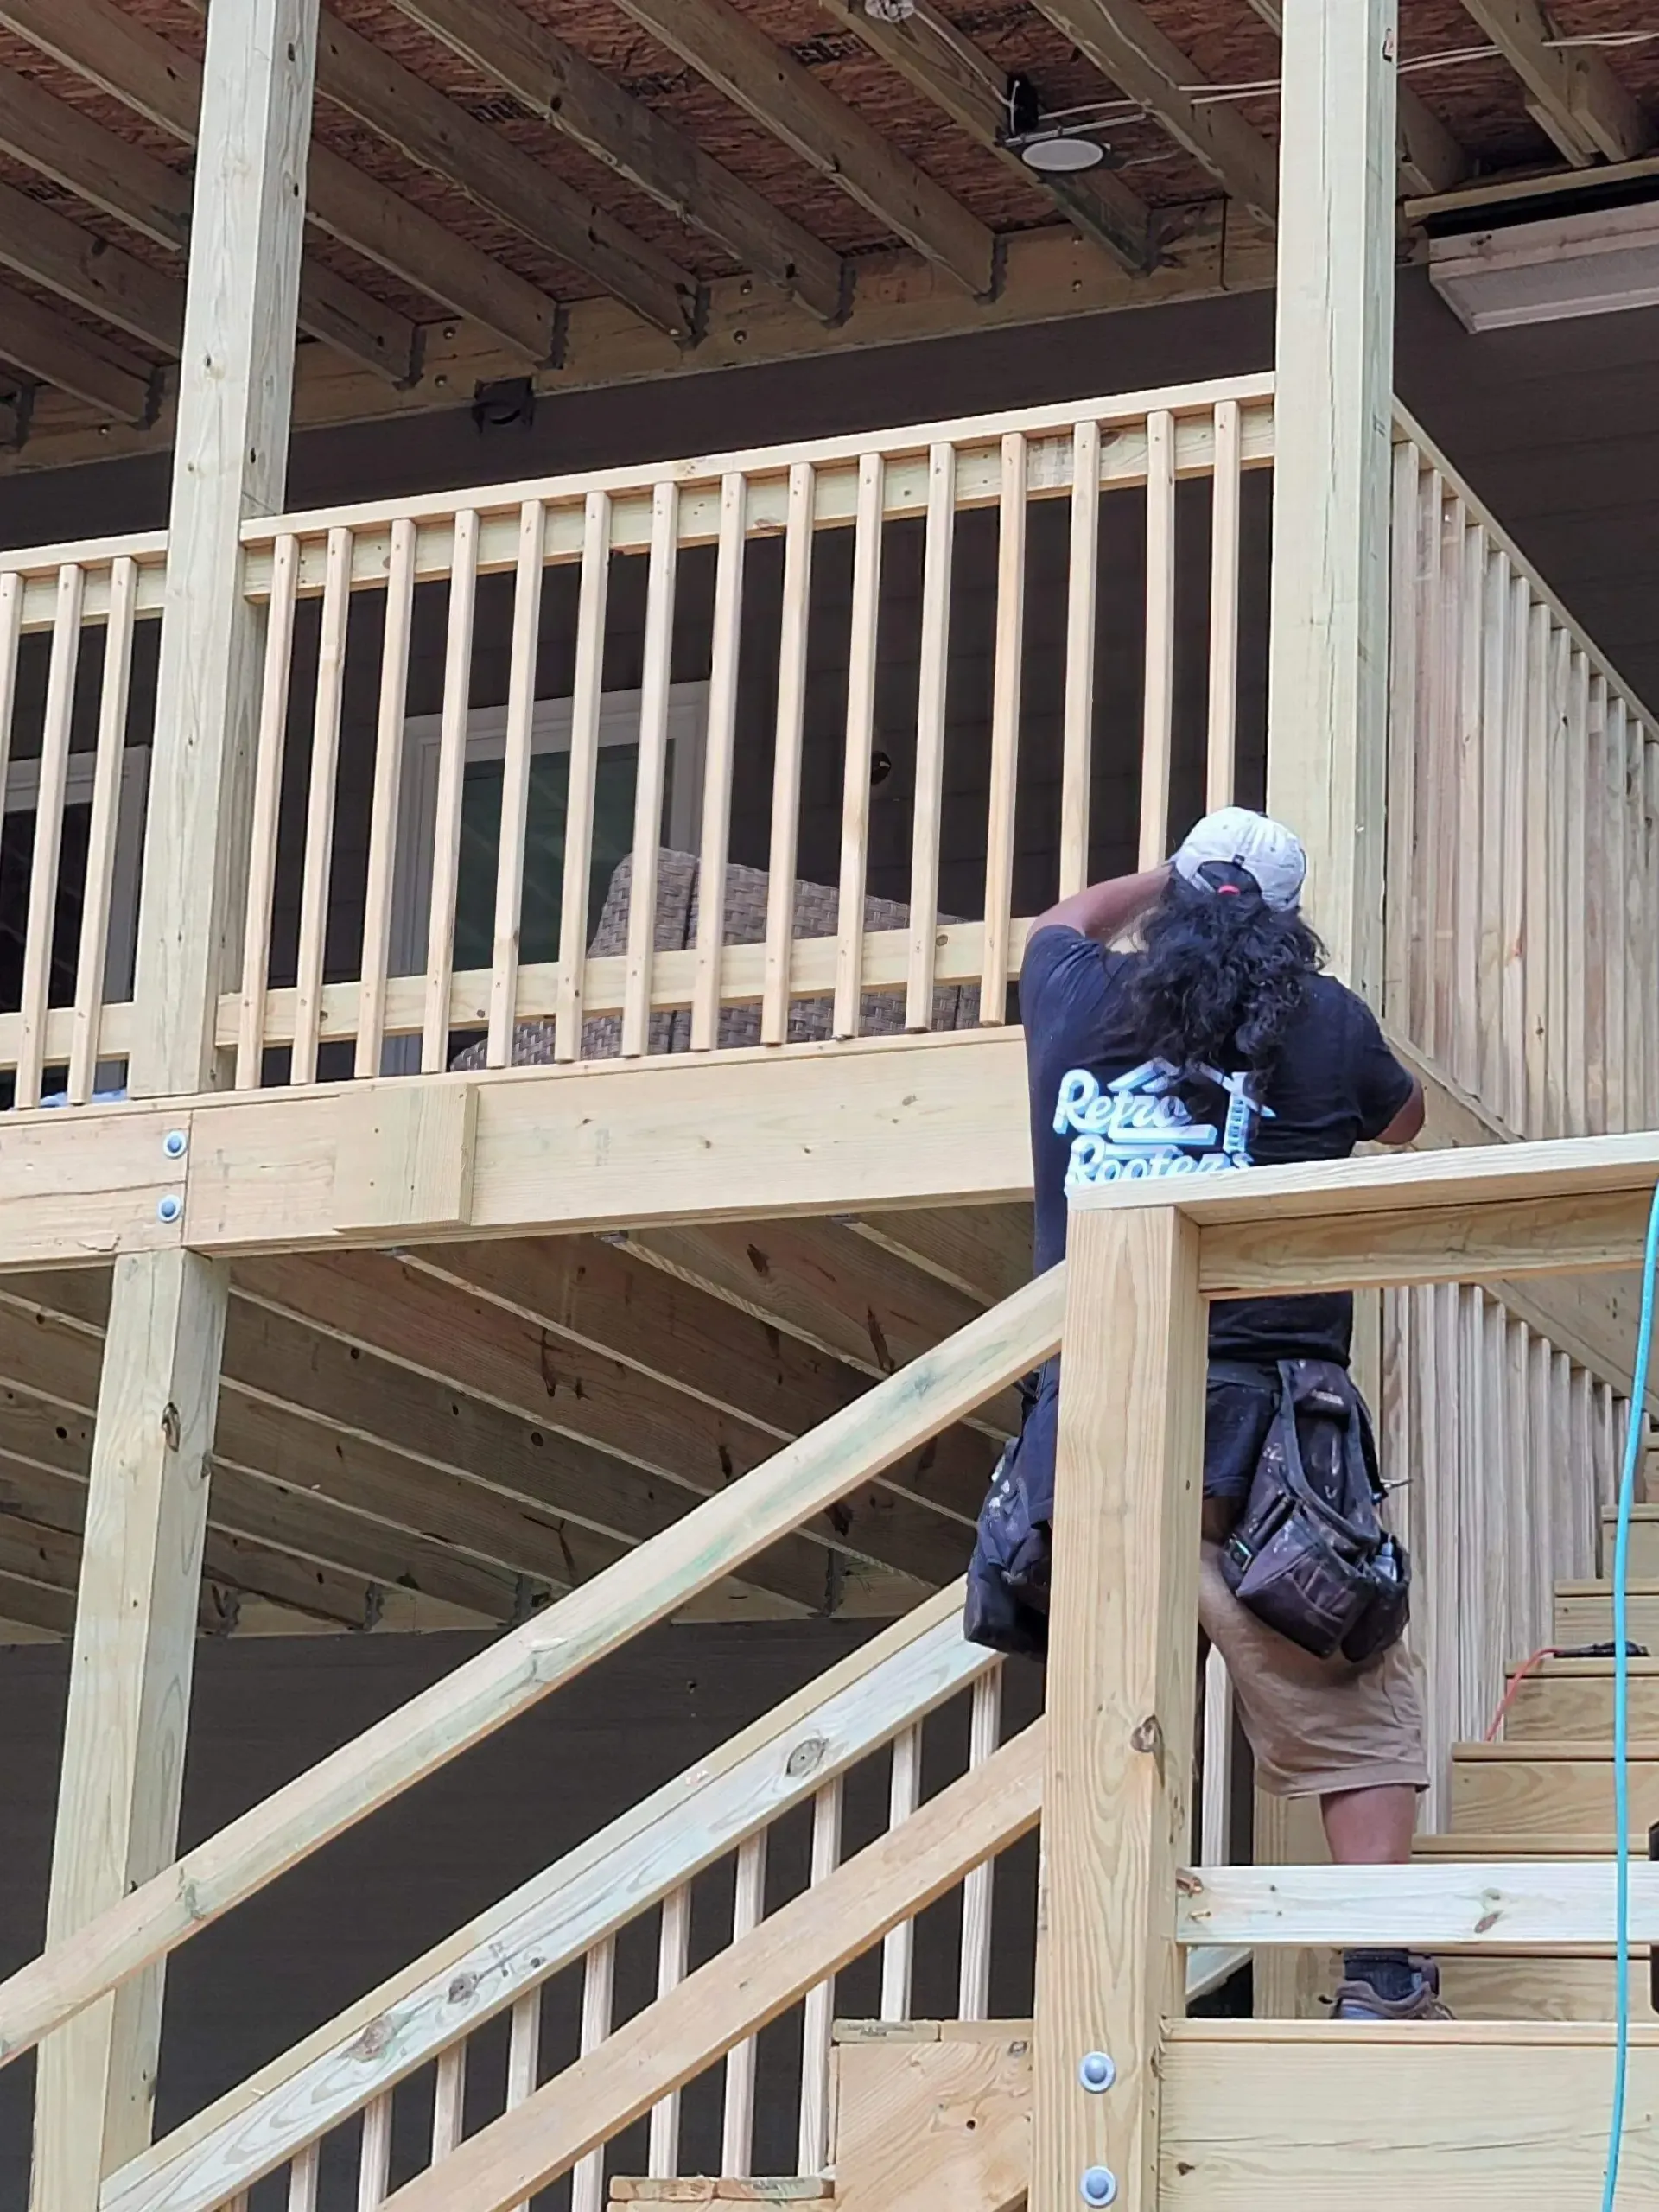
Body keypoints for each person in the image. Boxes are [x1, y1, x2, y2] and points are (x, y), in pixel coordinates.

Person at [1001, 805, 1442, 2024]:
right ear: (1288, 925)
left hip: (1095, 1426)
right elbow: (1404, 1120)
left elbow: (1059, 921)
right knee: (1344, 1689)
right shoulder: (1326, 1021)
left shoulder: (1077, 990)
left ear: (1179, 902)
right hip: (1269, 1442)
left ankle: (1099, 1997)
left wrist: (1168, 878)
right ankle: (1381, 1976)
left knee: (1116, 1705)